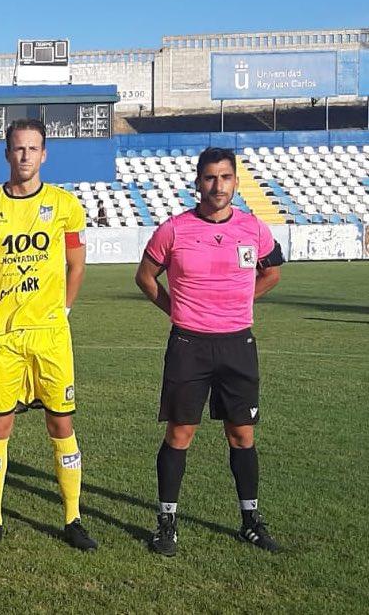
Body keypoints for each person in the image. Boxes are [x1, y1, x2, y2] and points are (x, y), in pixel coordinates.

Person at [135, 147, 284, 556]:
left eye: (225, 177)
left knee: (242, 434)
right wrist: (176, 310)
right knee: (180, 433)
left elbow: (272, 272)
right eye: (210, 178)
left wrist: (239, 302)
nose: (218, 186)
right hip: (189, 345)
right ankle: (167, 523)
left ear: (235, 181)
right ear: (198, 182)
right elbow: (145, 277)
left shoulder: (253, 228)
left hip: (237, 344)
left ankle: (250, 521)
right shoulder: (174, 230)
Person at [0, 119, 97, 552]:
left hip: (50, 335)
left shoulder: (65, 205)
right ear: (7, 154)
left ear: (44, 154)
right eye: (18, 148)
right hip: (3, 335)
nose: (25, 155)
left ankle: (73, 517)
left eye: (33, 148)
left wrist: (64, 309)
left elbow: (76, 264)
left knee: (61, 422)